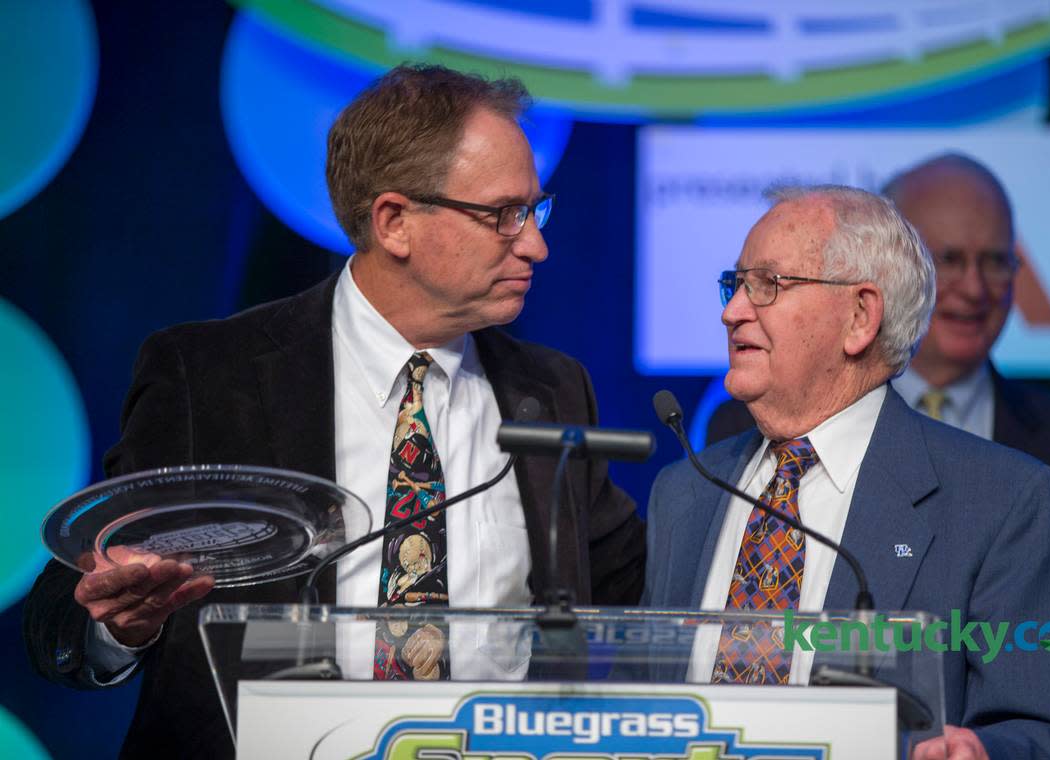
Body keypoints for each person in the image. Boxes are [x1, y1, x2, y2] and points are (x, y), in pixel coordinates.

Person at [24, 64, 645, 757]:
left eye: (536, 210)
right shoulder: (210, 377)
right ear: (395, 222)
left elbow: (628, 602)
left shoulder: (552, 391)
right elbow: (68, 612)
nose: (535, 244)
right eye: (503, 214)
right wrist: (121, 626)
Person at [642, 185, 1050, 758]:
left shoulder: (1003, 501)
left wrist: (980, 753)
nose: (732, 312)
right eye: (734, 286)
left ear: (860, 316)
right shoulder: (683, 493)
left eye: (769, 285)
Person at [883, 153, 1050, 759]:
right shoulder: (794, 432)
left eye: (996, 260)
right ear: (892, 271)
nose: (975, 287)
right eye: (949, 259)